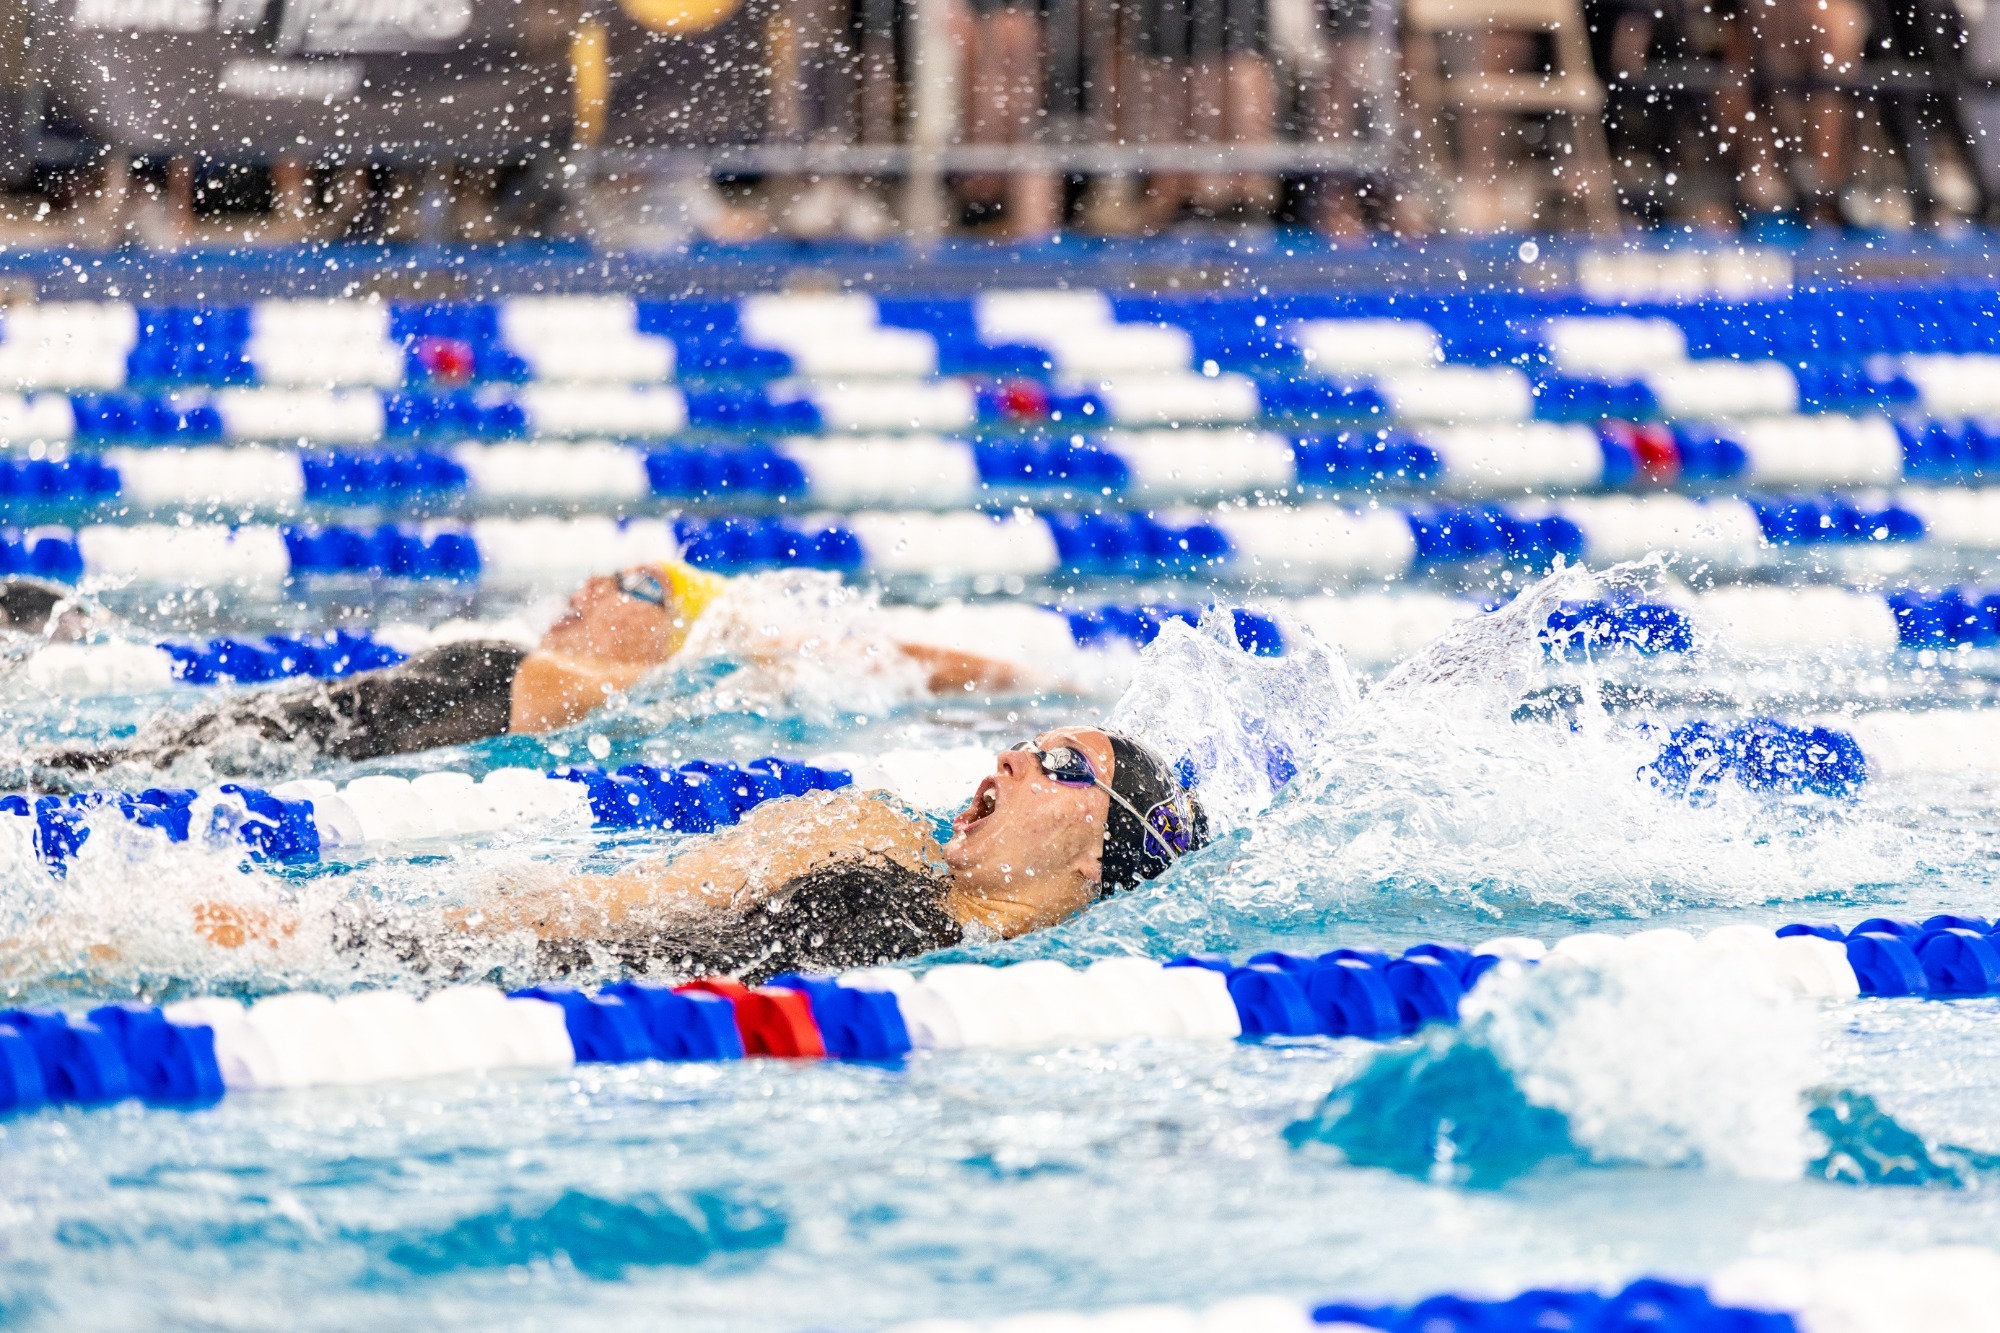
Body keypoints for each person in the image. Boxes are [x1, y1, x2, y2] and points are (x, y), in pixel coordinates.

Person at [194, 726, 1212, 981]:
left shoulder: (912, 925)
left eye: (1056, 763)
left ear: (1094, 862)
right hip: (467, 954)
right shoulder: (892, 880)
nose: (1010, 755)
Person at [11, 561, 1031, 776]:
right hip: (300, 721)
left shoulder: (646, 687)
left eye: (636, 584)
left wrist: (1026, 680)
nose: (593, 583)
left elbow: (871, 655)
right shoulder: (550, 663)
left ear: (679, 632)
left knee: (92, 769)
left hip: (317, 745)